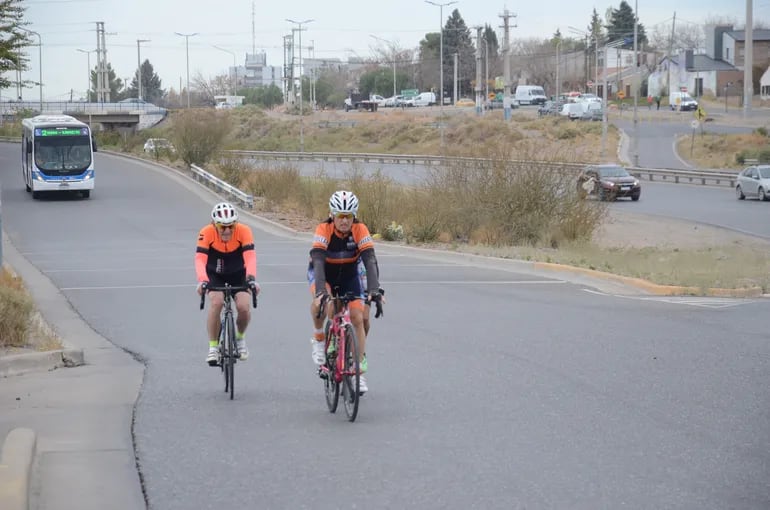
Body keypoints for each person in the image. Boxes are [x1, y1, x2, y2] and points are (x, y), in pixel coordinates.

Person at [308, 190, 383, 394]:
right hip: (325, 273)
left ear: (354, 216)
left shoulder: (360, 229)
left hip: (349, 273)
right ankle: (319, 339)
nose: (344, 221)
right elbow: (318, 261)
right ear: (332, 215)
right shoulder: (324, 229)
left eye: (348, 216)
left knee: (358, 316)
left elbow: (369, 260)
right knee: (325, 306)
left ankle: (358, 372)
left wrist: (374, 289)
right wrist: (322, 291)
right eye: (340, 216)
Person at [195, 202, 259, 366]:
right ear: (214, 224)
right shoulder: (206, 232)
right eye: (222, 227)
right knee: (216, 303)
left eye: (231, 226)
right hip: (215, 274)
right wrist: (202, 280)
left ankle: (239, 338)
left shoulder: (244, 231)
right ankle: (213, 347)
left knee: (244, 307)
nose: (227, 231)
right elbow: (200, 259)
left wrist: (251, 278)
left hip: (239, 274)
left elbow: (250, 257)